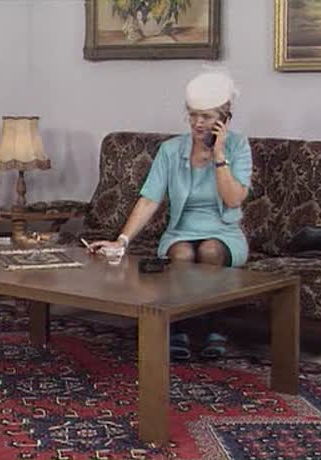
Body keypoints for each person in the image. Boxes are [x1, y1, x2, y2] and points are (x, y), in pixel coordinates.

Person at [88, 71, 253, 361]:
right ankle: (179, 329)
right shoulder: (171, 150)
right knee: (181, 254)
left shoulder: (238, 147)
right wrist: (122, 241)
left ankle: (214, 327)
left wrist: (219, 156)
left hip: (224, 232)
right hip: (180, 231)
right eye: (193, 115)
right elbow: (149, 200)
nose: (197, 123)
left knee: (210, 250)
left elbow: (233, 198)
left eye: (206, 116)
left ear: (224, 119)